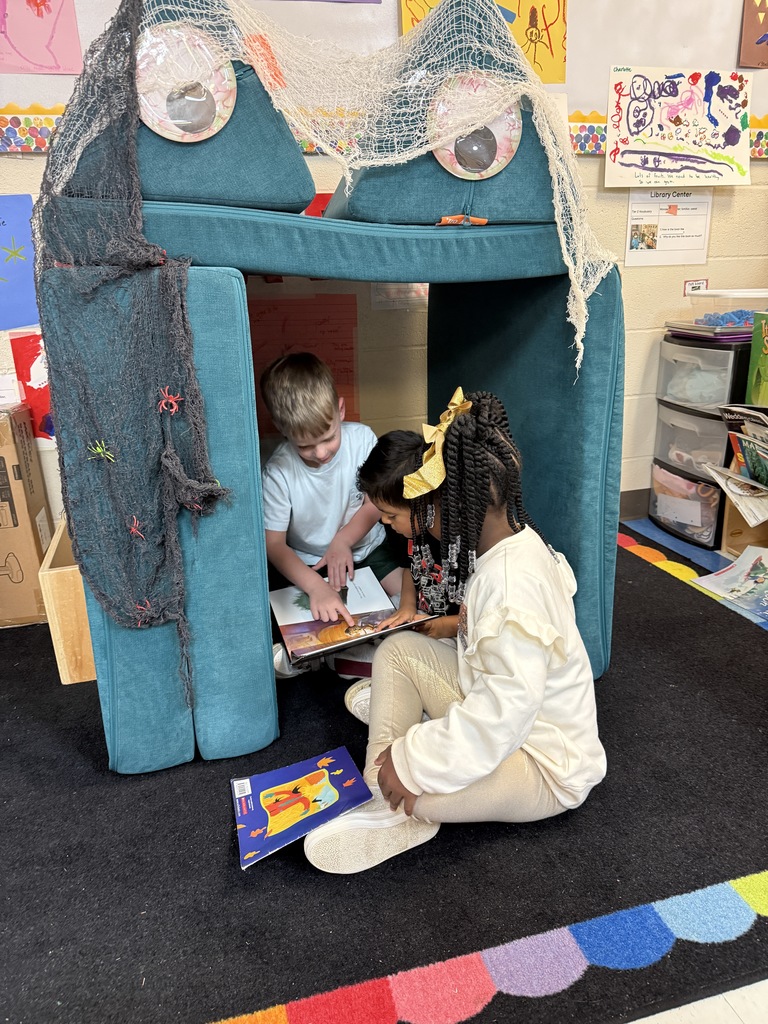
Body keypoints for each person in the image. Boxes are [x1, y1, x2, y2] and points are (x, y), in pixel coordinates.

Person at [303, 388, 607, 874]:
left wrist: (413, 764)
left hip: (542, 765)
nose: (390, 527)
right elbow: (487, 639)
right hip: (487, 702)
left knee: (420, 794)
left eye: (392, 517)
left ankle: (394, 794)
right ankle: (386, 772)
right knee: (400, 650)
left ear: (438, 502)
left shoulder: (512, 586)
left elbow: (501, 717)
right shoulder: (508, 543)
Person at [259, 353, 403, 647]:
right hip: (310, 564)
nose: (321, 453)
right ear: (281, 428)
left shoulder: (362, 440)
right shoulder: (278, 472)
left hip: (368, 546)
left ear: (340, 410)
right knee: (315, 624)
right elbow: (273, 545)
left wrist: (343, 540)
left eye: (328, 438)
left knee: (407, 598)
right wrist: (315, 587)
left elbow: (376, 503)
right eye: (305, 446)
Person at [337, 429, 462, 722]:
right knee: (363, 635)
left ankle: (417, 709)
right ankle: (394, 683)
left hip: (453, 636)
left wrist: (439, 627)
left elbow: (480, 620)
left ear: (424, 502)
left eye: (391, 516)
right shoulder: (419, 528)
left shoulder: (463, 543)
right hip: (422, 617)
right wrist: (407, 608)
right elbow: (411, 571)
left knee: (415, 655)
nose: (383, 521)